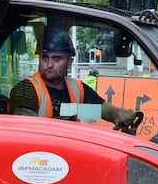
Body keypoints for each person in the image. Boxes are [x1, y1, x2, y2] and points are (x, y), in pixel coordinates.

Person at [9, 30, 137, 128]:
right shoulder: (26, 89)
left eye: (56, 58)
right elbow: (26, 130)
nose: (49, 64)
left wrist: (120, 115)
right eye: (45, 57)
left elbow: (100, 111)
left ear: (70, 62)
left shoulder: (77, 89)